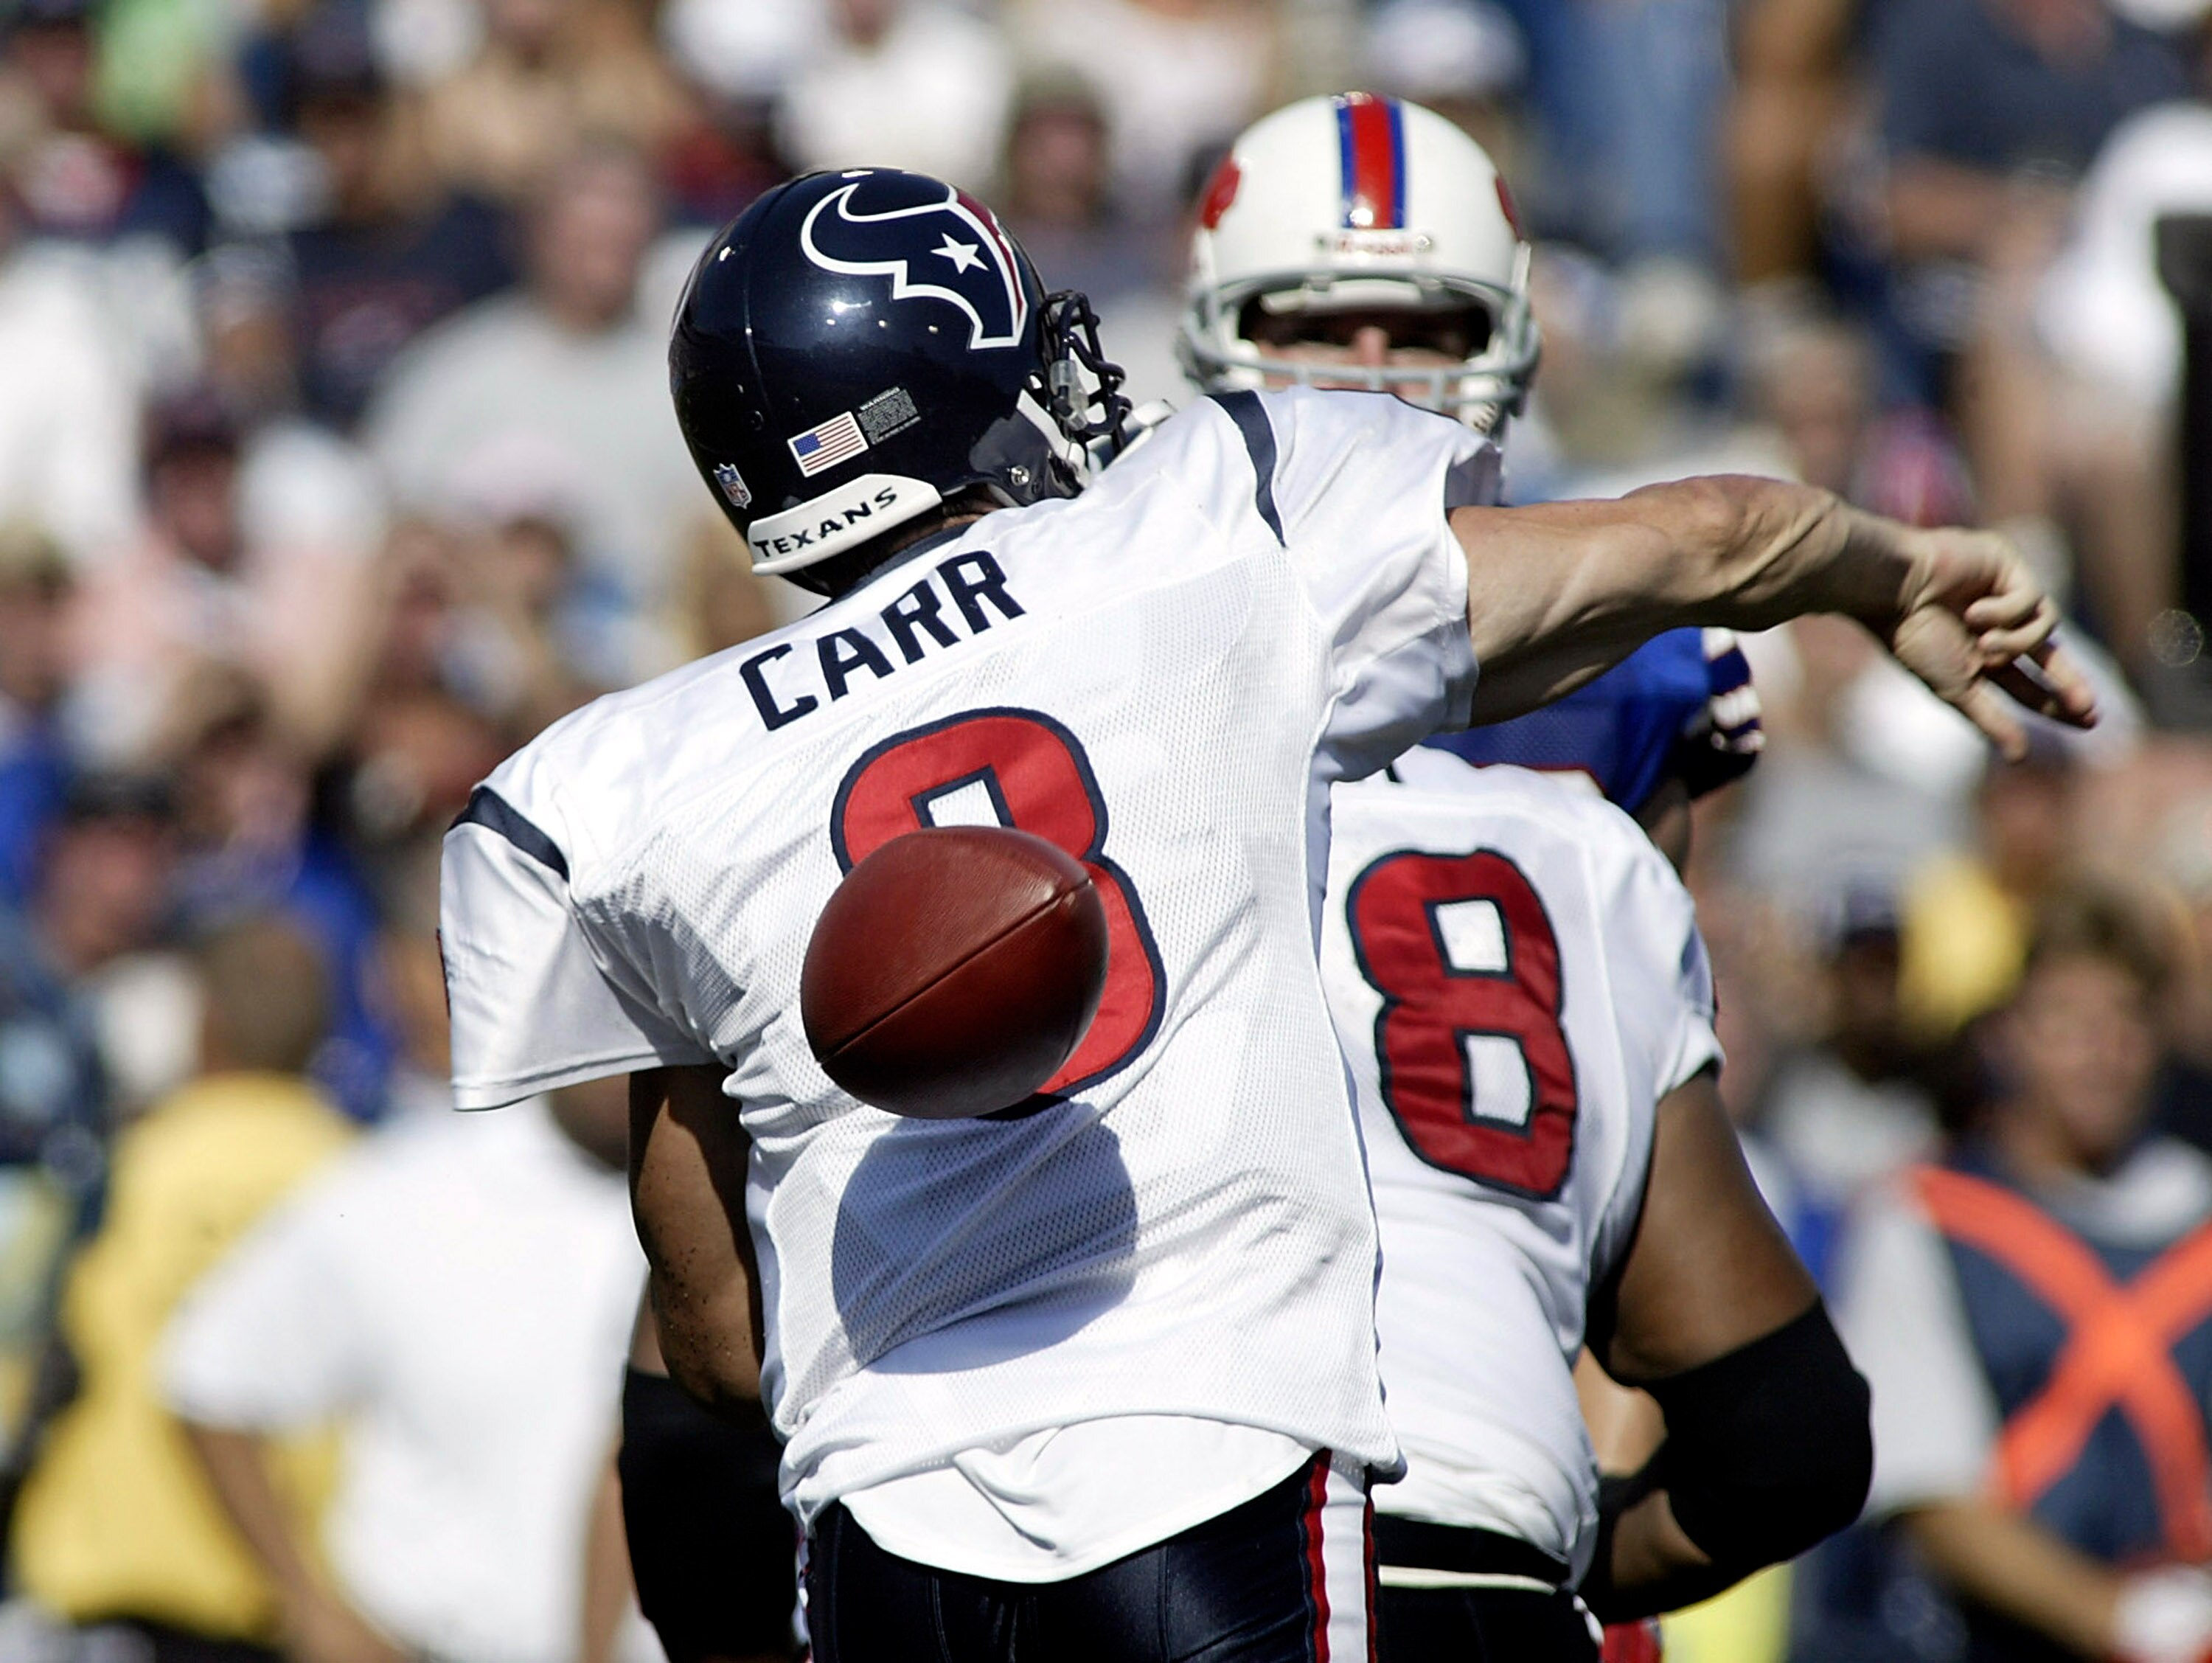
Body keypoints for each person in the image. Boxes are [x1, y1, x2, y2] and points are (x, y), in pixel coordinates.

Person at [439, 164, 2087, 1663]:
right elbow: (1707, 536)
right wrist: (1879, 572)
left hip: (882, 1527)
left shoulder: (620, 785)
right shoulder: (1200, 539)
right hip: (1216, 1461)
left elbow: (720, 1345)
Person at [1182, 95, 1868, 1659]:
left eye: (1416, 321)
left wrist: (1577, 1502)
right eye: (1313, 323)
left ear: (1501, 340)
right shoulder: (1127, 609)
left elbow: (1630, 1139)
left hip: (1500, 1372)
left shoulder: (1633, 666)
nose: (1367, 369)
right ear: (1226, 339)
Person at [1837, 881, 2212, 1663]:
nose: (2101, 1054)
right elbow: (1929, 1497)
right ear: (2010, 1037)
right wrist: (2129, 1621)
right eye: (2069, 1023)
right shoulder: (1925, 1215)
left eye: (2126, 1022)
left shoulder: (2200, 1215)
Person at [161, 1070, 651, 1663]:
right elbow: (211, 1374)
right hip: (427, 1642)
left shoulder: (760, 1191)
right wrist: (311, 1611)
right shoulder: (409, 1184)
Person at [8, 918, 351, 1663]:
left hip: (121, 1583)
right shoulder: (362, 1179)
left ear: (205, 1024)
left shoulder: (129, 1164)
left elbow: (33, 1345)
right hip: (297, 1597)